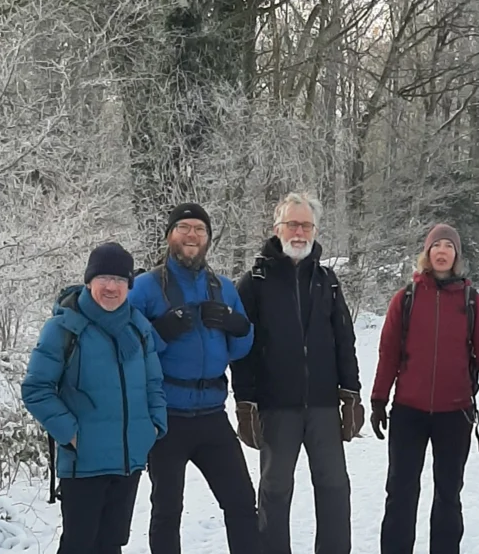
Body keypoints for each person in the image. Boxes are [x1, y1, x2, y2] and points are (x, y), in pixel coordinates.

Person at [231, 192, 363, 554]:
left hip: (322, 404)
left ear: (315, 230)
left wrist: (351, 393)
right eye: (293, 224)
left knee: (335, 487)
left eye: (306, 225)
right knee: (274, 491)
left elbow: (344, 340)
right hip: (276, 406)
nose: (299, 232)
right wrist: (244, 401)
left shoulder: (327, 280)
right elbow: (241, 348)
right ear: (277, 228)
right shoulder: (254, 282)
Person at [370, 223, 479, 554]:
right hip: (408, 412)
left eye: (449, 246)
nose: (442, 251)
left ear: (456, 255)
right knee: (400, 493)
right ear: (427, 253)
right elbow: (388, 353)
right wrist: (378, 399)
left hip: (455, 412)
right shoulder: (404, 299)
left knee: (448, 495)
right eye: (437, 246)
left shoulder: (471, 301)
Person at [127, 203, 260, 554]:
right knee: (167, 510)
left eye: (199, 229)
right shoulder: (144, 288)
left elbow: (242, 347)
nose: (192, 235)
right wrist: (160, 332)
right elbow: (125, 350)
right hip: (167, 418)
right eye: (184, 227)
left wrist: (238, 325)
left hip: (213, 416)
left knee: (242, 503)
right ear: (170, 235)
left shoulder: (223, 288)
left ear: (208, 239)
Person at [21, 242, 167, 554]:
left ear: (129, 285)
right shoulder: (64, 328)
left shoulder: (138, 329)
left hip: (128, 459)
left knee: (112, 544)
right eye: (104, 279)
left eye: (120, 280)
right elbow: (36, 389)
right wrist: (72, 435)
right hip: (84, 462)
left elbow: (153, 382)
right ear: (89, 281)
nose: (111, 287)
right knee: (79, 545)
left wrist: (152, 427)